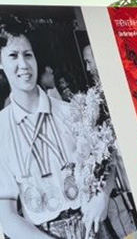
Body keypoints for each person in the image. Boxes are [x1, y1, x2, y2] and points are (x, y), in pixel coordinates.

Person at [0, 15, 114, 238]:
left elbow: (106, 161)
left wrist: (102, 197)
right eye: (13, 56)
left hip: (93, 224)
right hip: (44, 232)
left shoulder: (69, 111)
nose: (23, 65)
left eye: (28, 55)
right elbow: (7, 216)